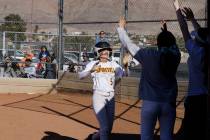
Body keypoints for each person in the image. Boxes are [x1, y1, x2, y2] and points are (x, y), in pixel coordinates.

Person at [117, 17, 181, 140]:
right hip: (168, 103)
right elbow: (172, 46)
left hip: (150, 102)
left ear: (158, 43)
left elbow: (128, 44)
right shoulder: (176, 56)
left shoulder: (148, 55)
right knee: (167, 136)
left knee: (146, 136)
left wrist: (121, 28)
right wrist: (166, 32)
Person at [173, 1, 208, 140]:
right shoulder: (205, 49)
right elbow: (203, 34)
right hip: (206, 96)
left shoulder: (196, 51)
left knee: (191, 131)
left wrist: (177, 8)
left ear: (197, 40)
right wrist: (193, 19)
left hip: (195, 97)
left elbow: (183, 28)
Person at [79, 41, 124, 140]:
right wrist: (91, 70)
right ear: (97, 53)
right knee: (104, 127)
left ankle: (94, 137)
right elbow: (80, 76)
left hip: (111, 97)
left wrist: (122, 68)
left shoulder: (113, 64)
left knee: (109, 128)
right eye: (103, 51)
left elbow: (121, 73)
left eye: (107, 51)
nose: (106, 53)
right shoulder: (93, 63)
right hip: (98, 96)